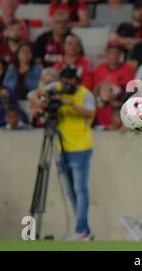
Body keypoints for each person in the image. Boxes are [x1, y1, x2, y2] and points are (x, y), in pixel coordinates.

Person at [29, 66, 96, 240]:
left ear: (76, 81)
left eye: (69, 83)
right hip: (61, 146)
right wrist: (41, 103)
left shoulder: (85, 94)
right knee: (71, 191)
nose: (66, 86)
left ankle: (81, 229)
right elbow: (32, 94)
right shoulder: (55, 88)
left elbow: (90, 112)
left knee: (80, 189)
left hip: (81, 147)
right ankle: (85, 231)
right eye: (64, 82)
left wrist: (69, 103)